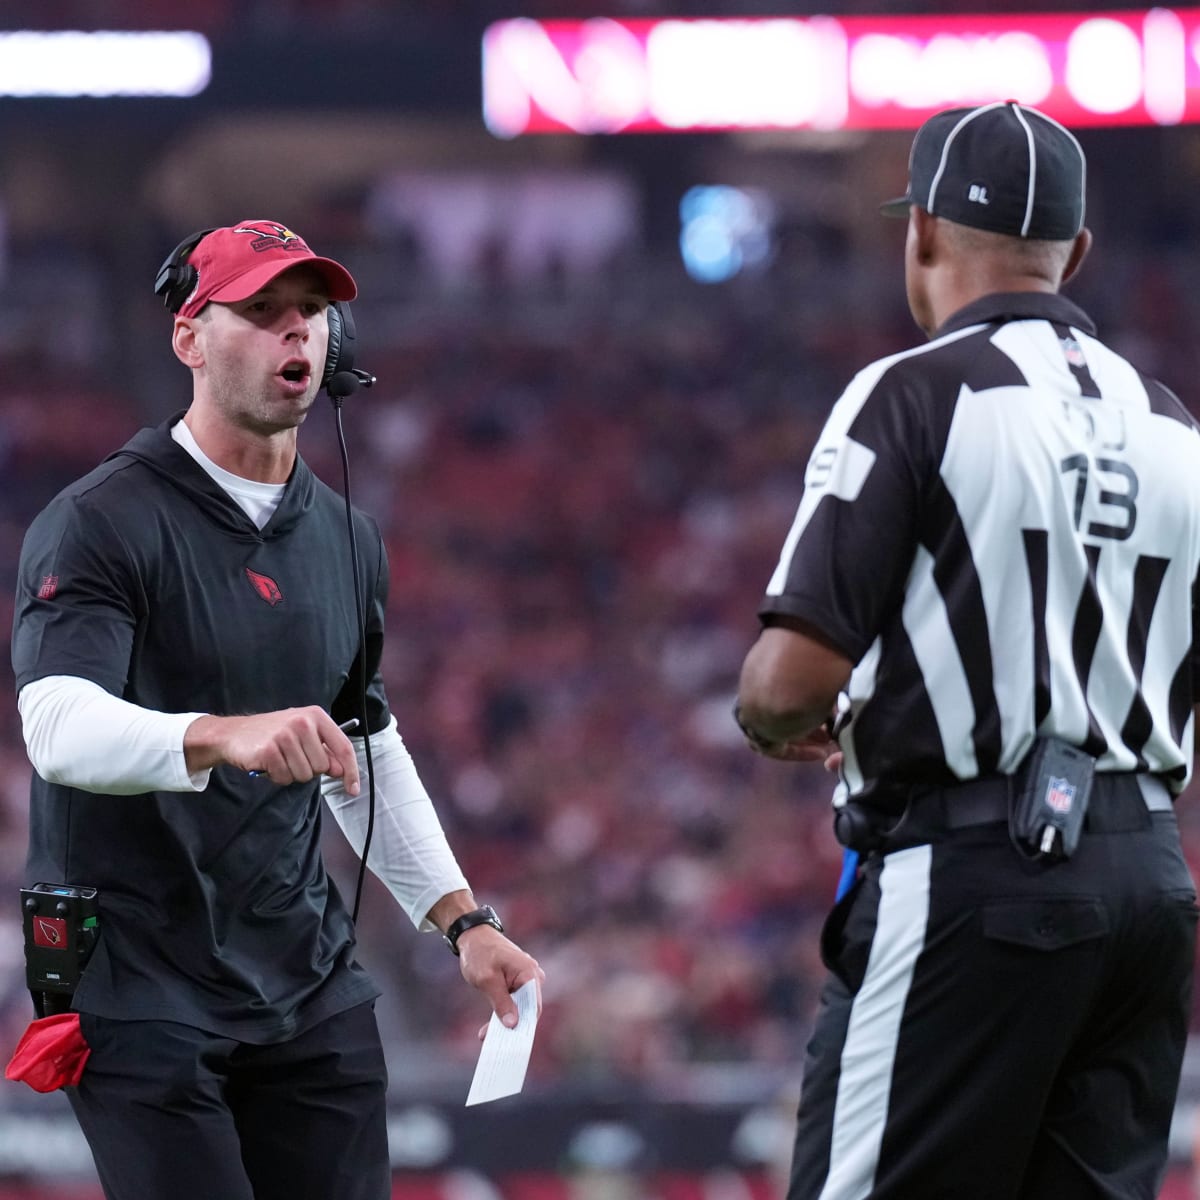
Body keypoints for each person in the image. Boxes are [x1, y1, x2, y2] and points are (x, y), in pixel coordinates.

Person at [9, 219, 544, 1200]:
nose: (296, 330)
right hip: (136, 980)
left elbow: (364, 745)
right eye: (260, 310)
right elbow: (56, 727)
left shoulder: (349, 540)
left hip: (303, 973)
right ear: (189, 337)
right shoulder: (98, 521)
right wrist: (223, 735)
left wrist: (464, 922)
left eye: (310, 312)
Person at [735, 102, 1200, 1199]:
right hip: (1149, 881)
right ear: (1075, 252)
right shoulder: (1175, 424)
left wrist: (778, 718)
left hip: (974, 871)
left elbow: (788, 683)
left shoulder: (913, 392)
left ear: (924, 231)